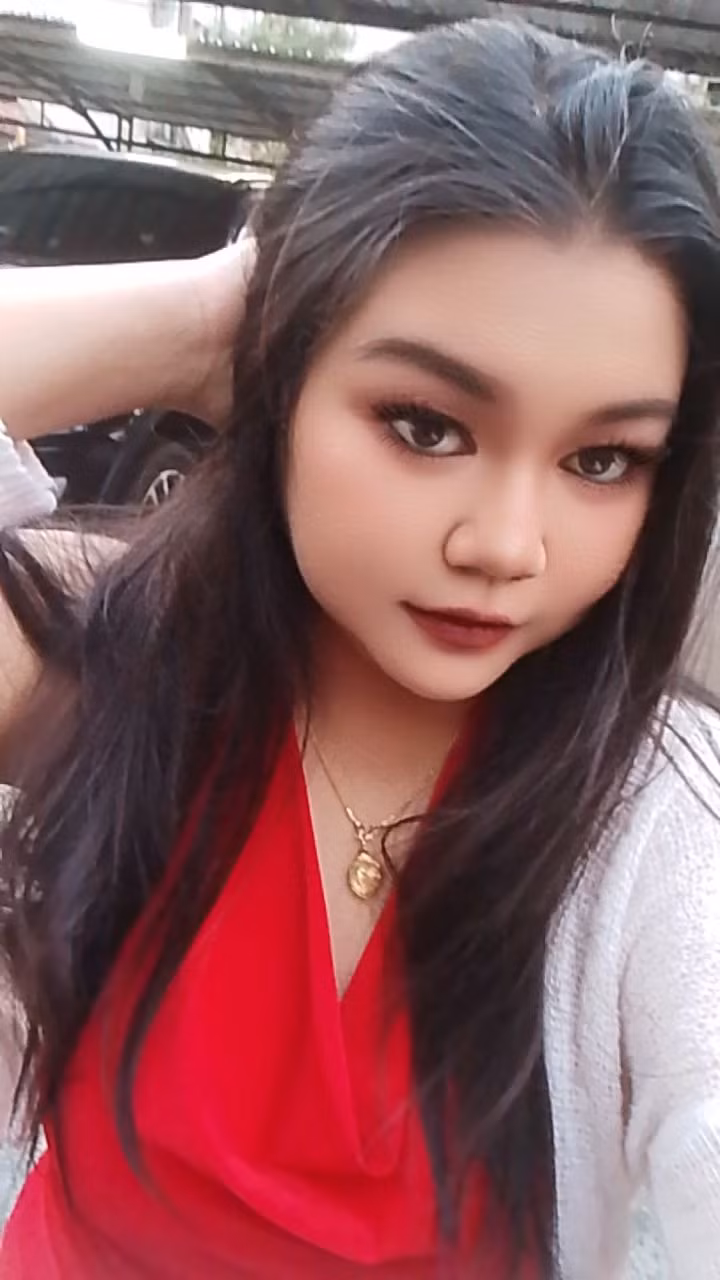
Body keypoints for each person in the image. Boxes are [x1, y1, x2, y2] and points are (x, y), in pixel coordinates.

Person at [0, 16, 718, 1280]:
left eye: (601, 459)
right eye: (426, 424)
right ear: (280, 377)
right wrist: (204, 316)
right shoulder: (112, 664)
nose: (507, 544)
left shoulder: (659, 831)